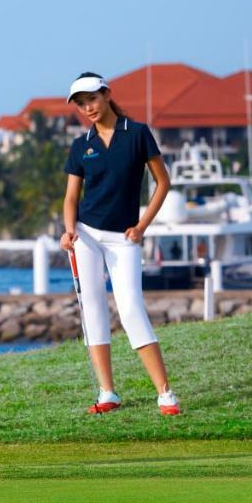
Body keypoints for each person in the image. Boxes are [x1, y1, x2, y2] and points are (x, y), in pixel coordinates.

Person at [60, 72, 182, 416]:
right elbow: (71, 197)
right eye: (81, 105)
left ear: (107, 94)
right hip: (86, 235)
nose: (88, 109)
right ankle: (107, 392)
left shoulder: (138, 134)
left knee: (130, 309)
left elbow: (163, 183)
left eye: (92, 100)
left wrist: (143, 225)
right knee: (93, 310)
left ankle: (165, 393)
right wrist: (69, 230)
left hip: (125, 238)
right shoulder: (81, 144)